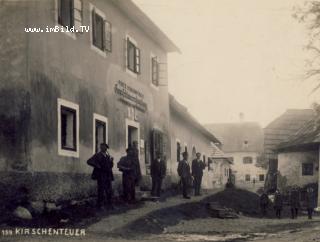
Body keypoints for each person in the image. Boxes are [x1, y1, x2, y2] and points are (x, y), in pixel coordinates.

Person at [87, 143, 114, 209]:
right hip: (101, 175)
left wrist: (111, 161)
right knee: (101, 190)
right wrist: (97, 165)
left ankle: (109, 204)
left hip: (107, 175)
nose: (104, 148)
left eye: (106, 147)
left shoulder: (108, 156)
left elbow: (110, 166)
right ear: (101, 148)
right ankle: (100, 205)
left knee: (109, 190)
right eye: (103, 147)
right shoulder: (97, 155)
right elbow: (89, 161)